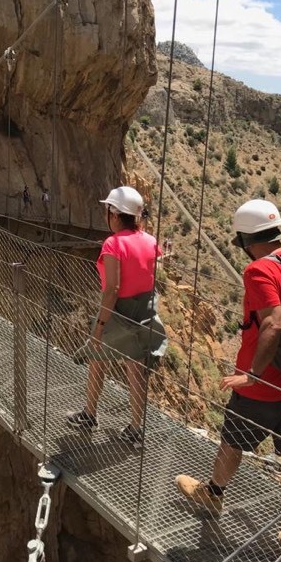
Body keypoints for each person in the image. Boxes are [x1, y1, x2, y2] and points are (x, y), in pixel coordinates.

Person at [175, 199, 281, 562]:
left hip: (263, 386)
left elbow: (274, 323)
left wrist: (251, 374)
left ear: (244, 238)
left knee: (232, 441)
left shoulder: (258, 271)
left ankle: (214, 493)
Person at [67, 186, 168, 446]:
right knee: (136, 368)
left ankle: (90, 414)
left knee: (97, 358)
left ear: (113, 213)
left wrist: (100, 326)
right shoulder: (150, 240)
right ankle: (136, 427)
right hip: (144, 308)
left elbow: (111, 288)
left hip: (118, 309)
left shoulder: (113, 243)